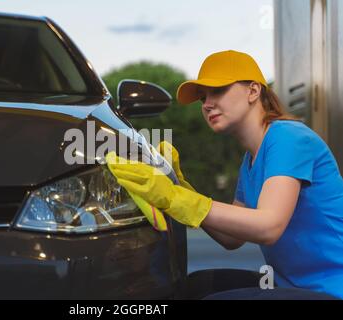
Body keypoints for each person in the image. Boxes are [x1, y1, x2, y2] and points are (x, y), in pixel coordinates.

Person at [106, 50, 343, 299]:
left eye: (218, 90)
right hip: (291, 287)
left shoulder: (288, 138)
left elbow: (269, 226)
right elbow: (232, 239)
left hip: (332, 289)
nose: (207, 104)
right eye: (202, 98)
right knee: (196, 286)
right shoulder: (251, 160)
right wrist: (184, 191)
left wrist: (177, 198)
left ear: (253, 91)